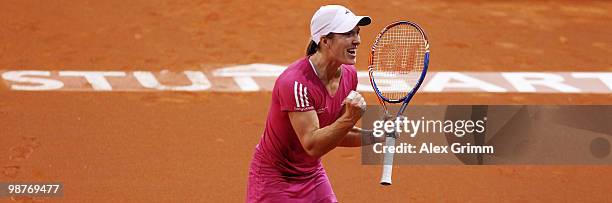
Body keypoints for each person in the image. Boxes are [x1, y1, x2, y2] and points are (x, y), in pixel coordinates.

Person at [247, 5, 373, 202]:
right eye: (348, 33)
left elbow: (336, 133)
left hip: (312, 176)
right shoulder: (295, 83)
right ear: (325, 40)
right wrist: (349, 118)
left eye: (356, 33)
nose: (357, 40)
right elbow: (313, 145)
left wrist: (380, 135)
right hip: (275, 180)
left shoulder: (349, 75)